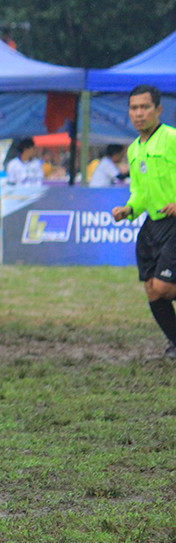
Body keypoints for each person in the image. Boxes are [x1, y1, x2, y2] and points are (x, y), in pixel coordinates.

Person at [111, 84, 176, 360]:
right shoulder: (134, 150)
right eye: (134, 108)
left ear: (158, 110)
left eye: (145, 107)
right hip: (153, 225)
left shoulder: (171, 138)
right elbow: (139, 191)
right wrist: (128, 209)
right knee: (152, 290)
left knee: (163, 286)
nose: (139, 113)